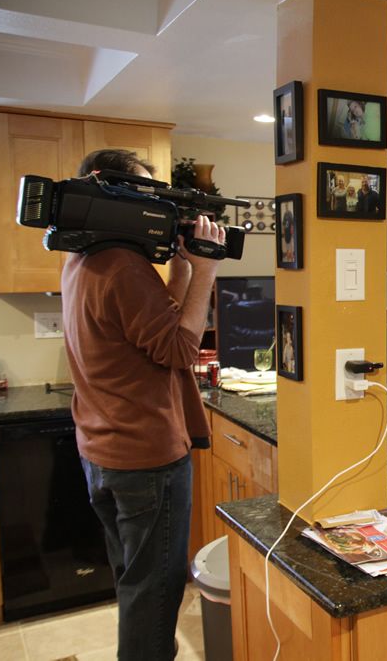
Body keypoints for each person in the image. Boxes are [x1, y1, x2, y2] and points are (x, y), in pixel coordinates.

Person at [62, 149, 226, 660]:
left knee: (135, 583)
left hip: (103, 451)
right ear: (105, 190)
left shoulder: (84, 256)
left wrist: (180, 269)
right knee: (155, 595)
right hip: (145, 458)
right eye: (141, 193)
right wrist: (206, 271)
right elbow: (179, 350)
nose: (152, 207)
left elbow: (155, 331)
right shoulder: (124, 267)